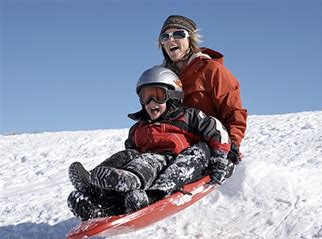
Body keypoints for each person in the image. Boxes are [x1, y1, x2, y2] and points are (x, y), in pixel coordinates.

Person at [67, 66, 233, 221]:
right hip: (141, 171)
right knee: (129, 155)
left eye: (158, 95)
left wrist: (219, 160)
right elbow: (131, 156)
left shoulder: (189, 117)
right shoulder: (138, 129)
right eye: (146, 97)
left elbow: (218, 132)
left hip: (175, 165)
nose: (152, 102)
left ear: (174, 96)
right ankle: (97, 194)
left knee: (196, 151)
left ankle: (149, 194)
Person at [157, 15, 247, 170]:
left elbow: (233, 111)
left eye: (178, 34)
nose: (171, 40)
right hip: (173, 144)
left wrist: (232, 144)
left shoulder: (211, 70)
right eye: (165, 37)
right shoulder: (162, 78)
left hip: (207, 144)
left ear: (190, 40)